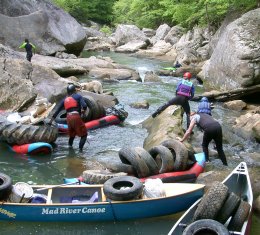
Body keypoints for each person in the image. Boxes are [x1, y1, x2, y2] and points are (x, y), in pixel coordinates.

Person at [49, 84, 88, 152]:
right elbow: (84, 106)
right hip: (76, 117)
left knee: (72, 135)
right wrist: (83, 111)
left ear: (68, 92)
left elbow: (57, 111)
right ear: (74, 91)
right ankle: (80, 151)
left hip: (68, 118)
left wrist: (51, 121)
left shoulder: (64, 100)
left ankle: (70, 148)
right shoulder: (78, 96)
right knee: (84, 135)